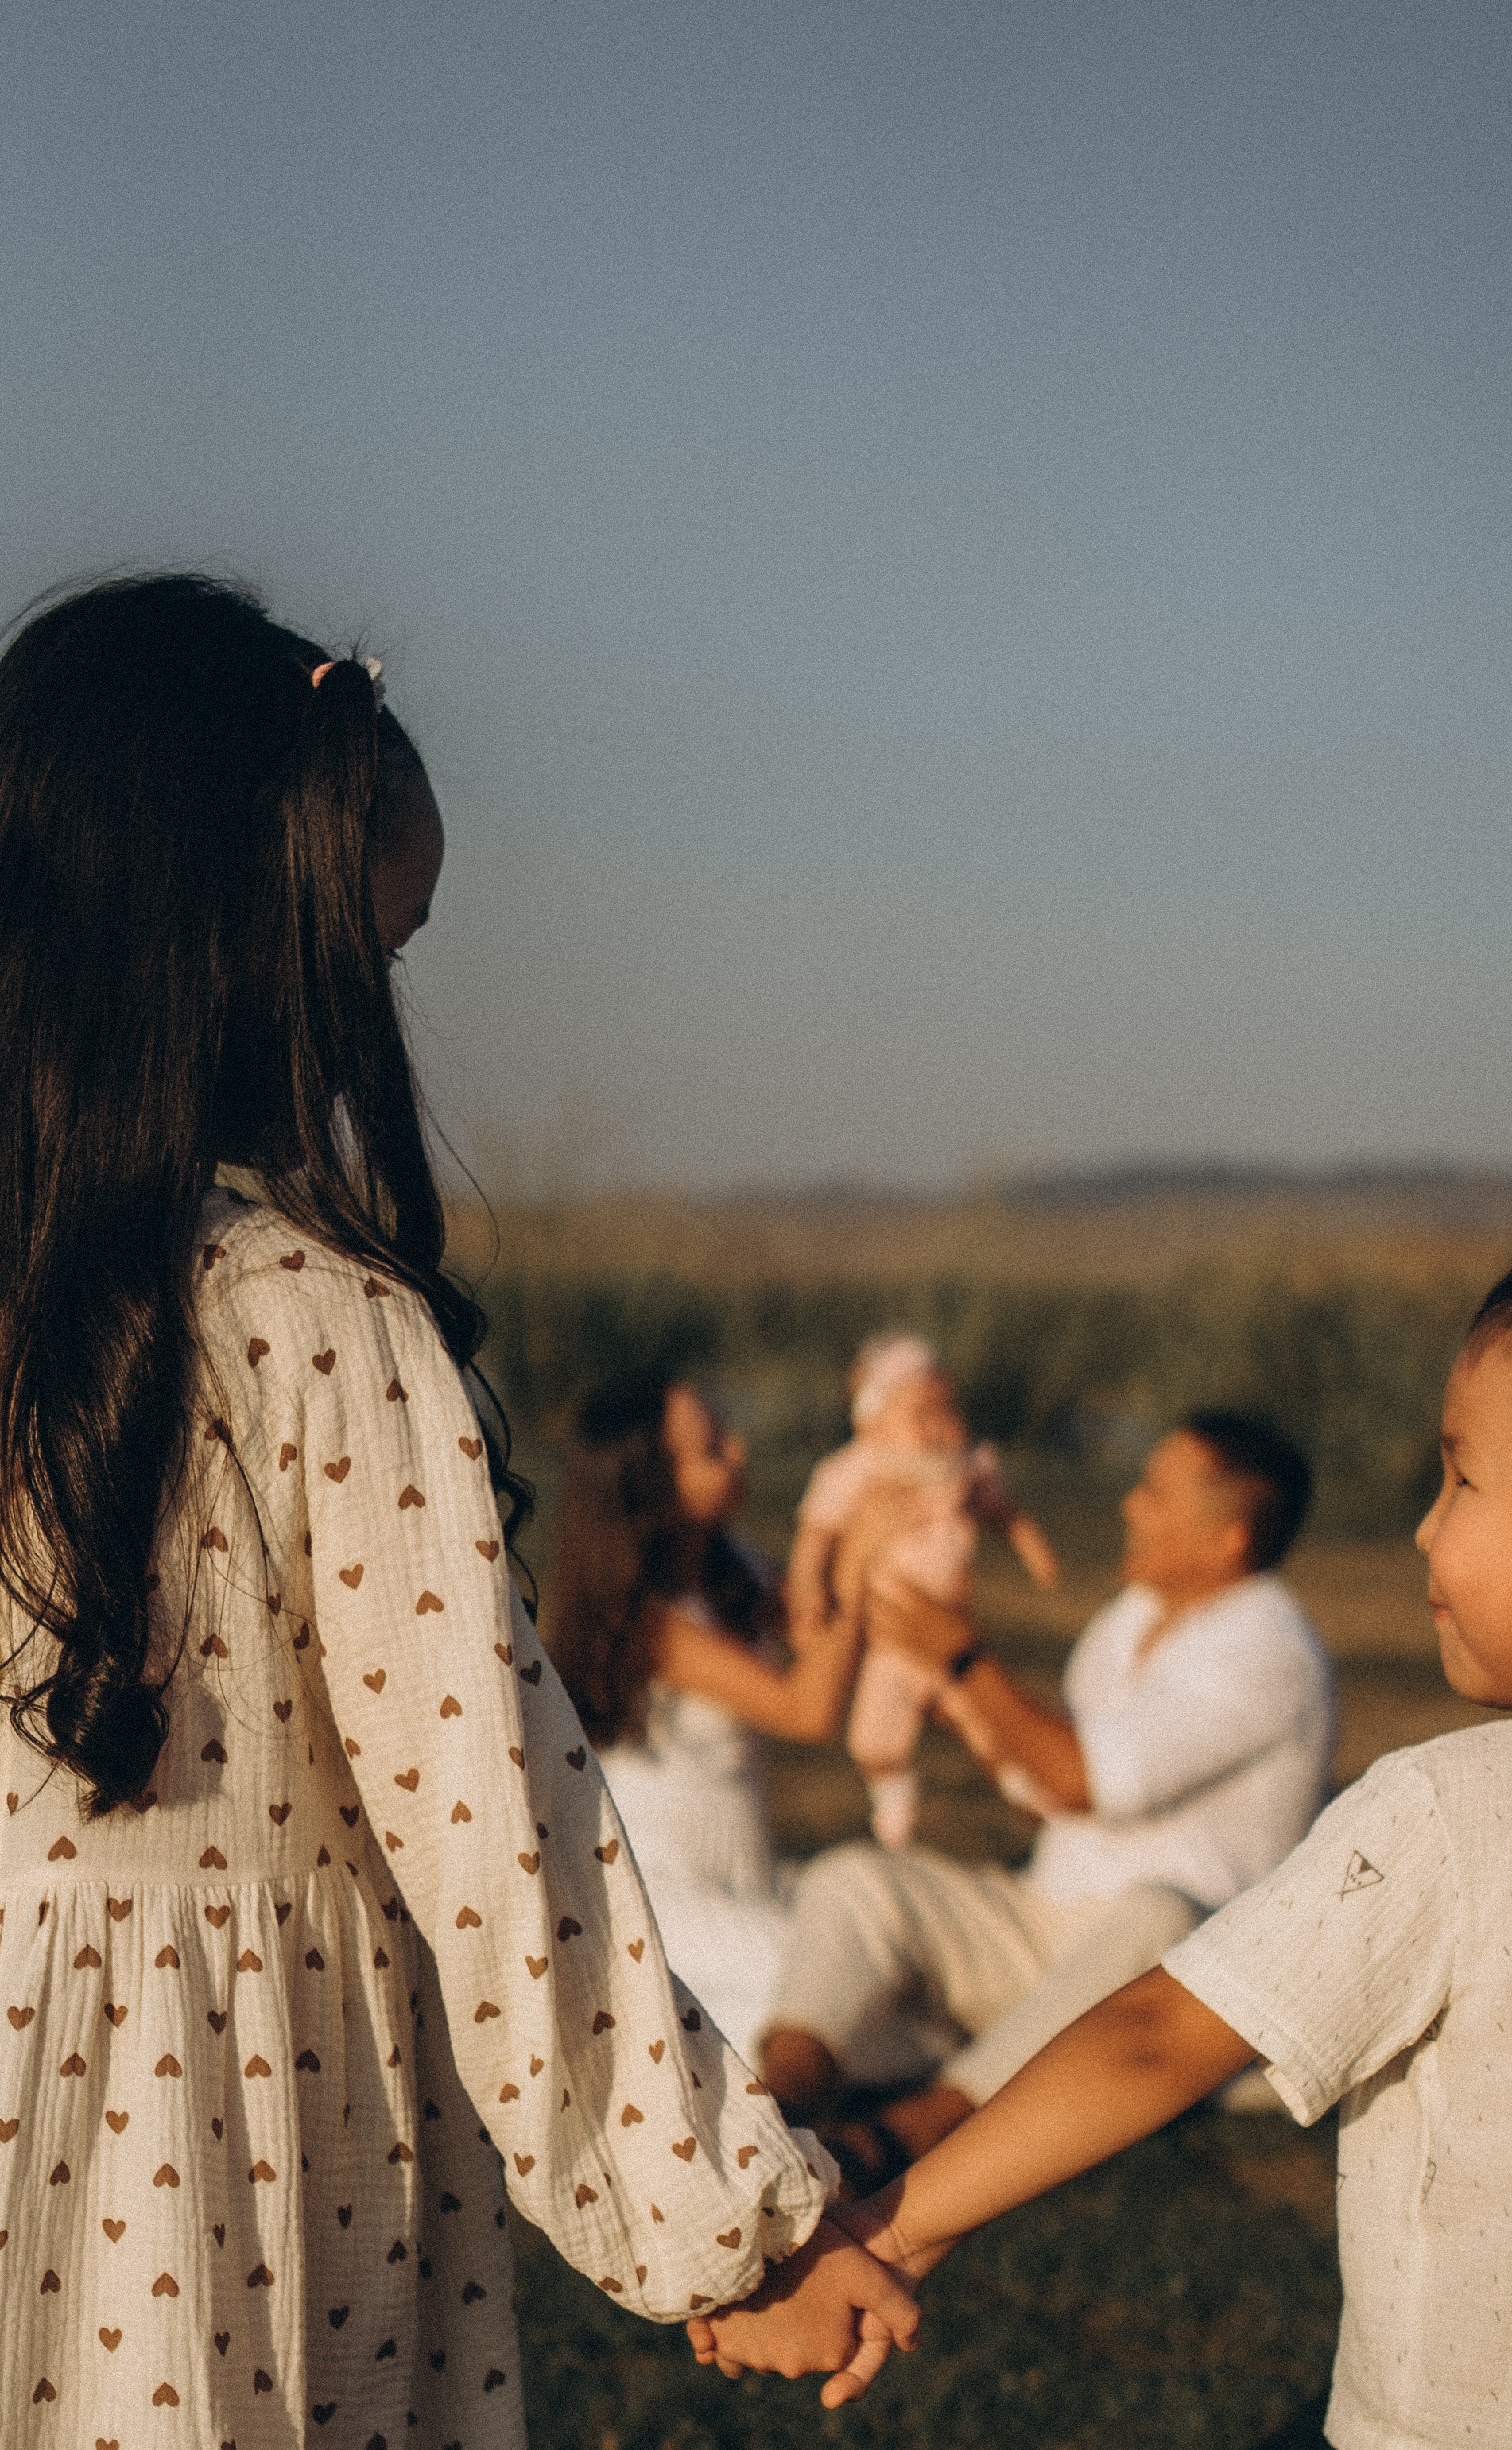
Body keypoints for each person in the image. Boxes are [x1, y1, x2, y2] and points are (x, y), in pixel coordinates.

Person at [0, 574, 915, 2445]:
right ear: (249, 949)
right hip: (206, 2150)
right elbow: (502, 1834)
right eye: (375, 950)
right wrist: (725, 2228)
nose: (369, 1013)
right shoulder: (307, 1315)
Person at [701, 1227, 1512, 2446]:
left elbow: (1151, 2036)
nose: (1419, 1529)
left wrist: (891, 2234)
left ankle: (870, 2140)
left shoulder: (1452, 1805)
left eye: (1460, 1479)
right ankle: (789, 2099)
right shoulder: (1132, 1621)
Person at [760, 1409, 1335, 2178]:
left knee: (1158, 1911)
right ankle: (768, 2110)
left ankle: (914, 2133)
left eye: (1155, 1494)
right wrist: (959, 1699)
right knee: (855, 1880)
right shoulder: (1130, 1619)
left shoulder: (1271, 1649)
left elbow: (1088, 1778)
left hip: (1174, 1985)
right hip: (1045, 1928)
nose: (1131, 1505)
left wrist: (965, 1660)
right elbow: (1047, 1793)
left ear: (1227, 1540)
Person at [539, 1368, 866, 2068]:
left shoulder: (731, 1566)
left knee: (863, 1950)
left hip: (746, 1868)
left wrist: (834, 1542)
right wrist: (861, 1559)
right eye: (713, 1448)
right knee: (833, 1983)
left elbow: (820, 1641)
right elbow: (806, 1710)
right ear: (652, 1489)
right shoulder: (652, 1620)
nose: (740, 1451)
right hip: (667, 1881)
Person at [785, 1332, 1060, 1850]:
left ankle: (1027, 1790)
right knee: (872, 1739)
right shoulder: (858, 1468)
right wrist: (808, 1587)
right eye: (921, 1414)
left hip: (952, 1633)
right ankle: (892, 1801)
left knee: (991, 1725)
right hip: (890, 1639)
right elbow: (815, 1532)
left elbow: (1004, 1512)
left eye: (947, 1412)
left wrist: (1034, 1551)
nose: (939, 1428)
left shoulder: (963, 1470)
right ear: (873, 1422)